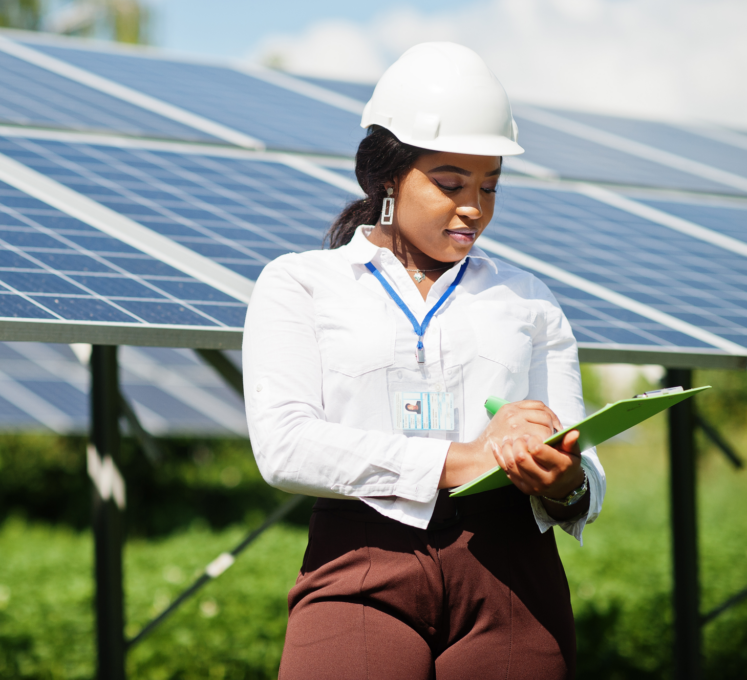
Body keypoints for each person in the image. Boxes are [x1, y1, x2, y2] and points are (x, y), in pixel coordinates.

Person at [242, 42, 606, 680]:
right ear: (388, 175)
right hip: (362, 557)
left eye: (490, 185)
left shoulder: (526, 299)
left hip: (512, 569)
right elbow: (285, 447)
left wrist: (562, 481)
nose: (475, 208)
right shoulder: (300, 284)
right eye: (450, 183)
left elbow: (584, 473)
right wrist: (471, 457)